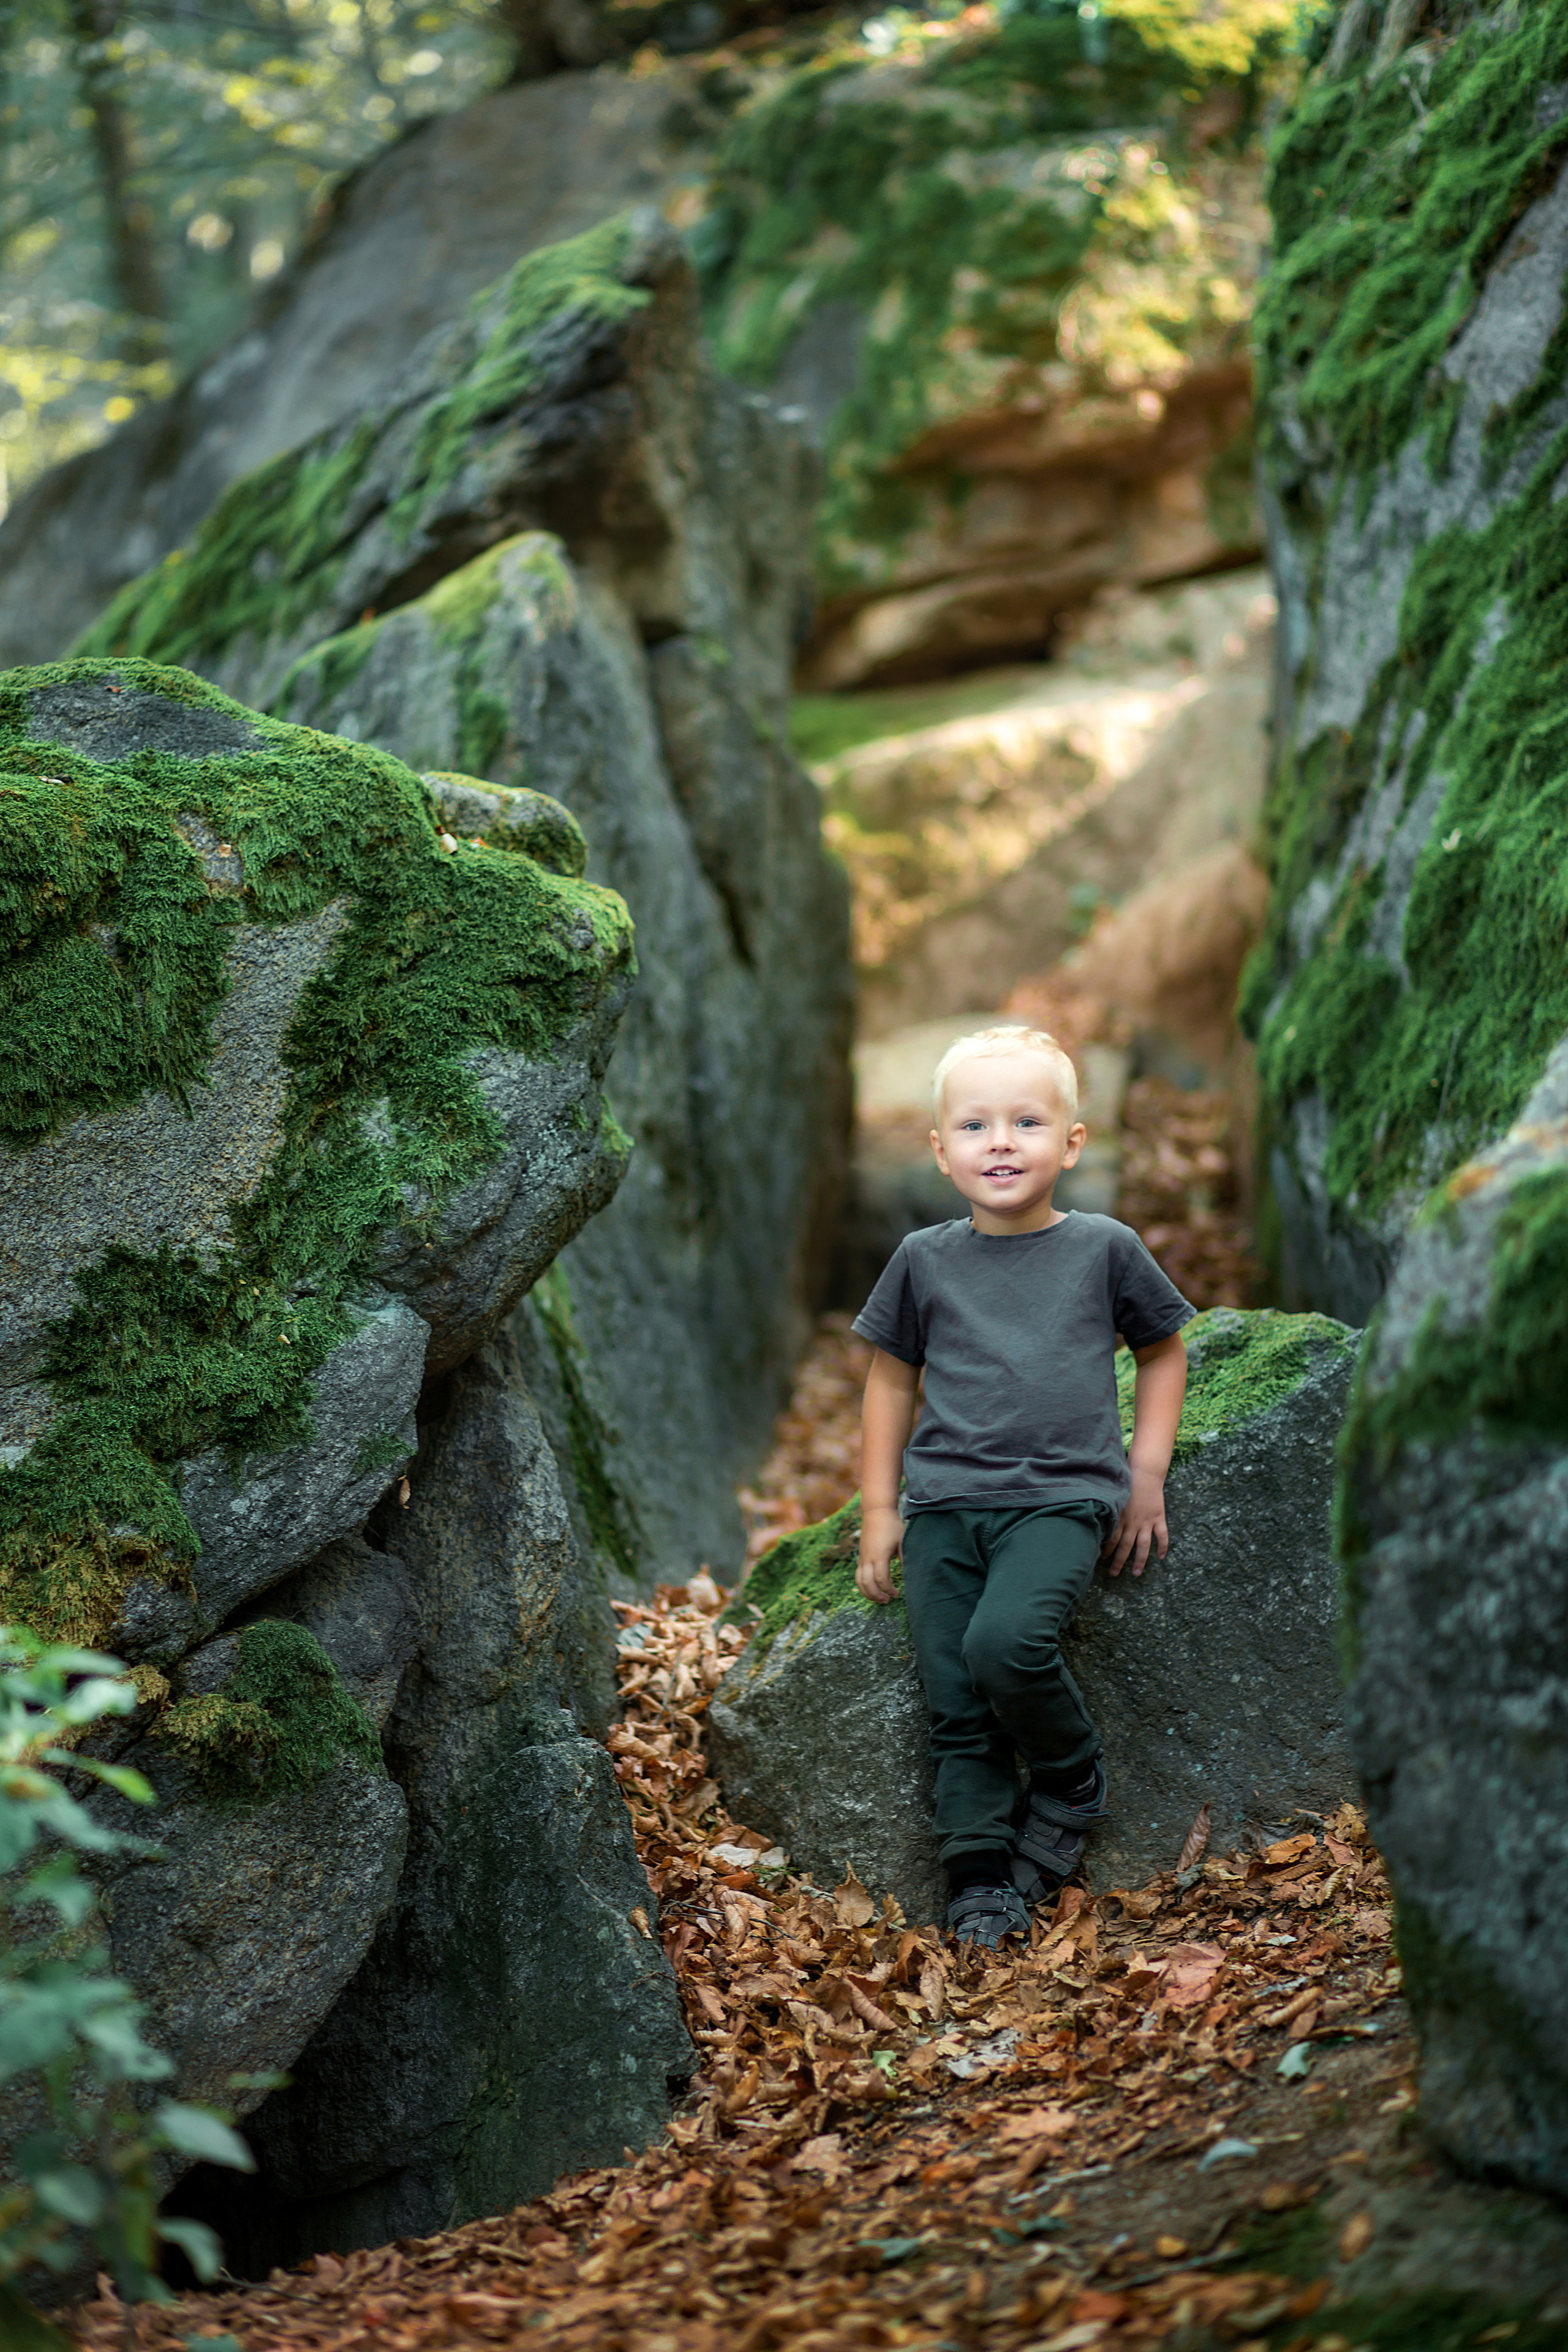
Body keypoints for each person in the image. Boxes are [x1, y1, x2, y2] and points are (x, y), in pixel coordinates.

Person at [852, 1023, 1193, 1948]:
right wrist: (882, 1508)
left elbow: (1163, 1351)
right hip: (944, 1511)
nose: (1000, 1142)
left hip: (1058, 1499)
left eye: (1027, 1121)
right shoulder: (924, 1259)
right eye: (974, 1125)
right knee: (954, 1694)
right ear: (940, 1148)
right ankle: (977, 1880)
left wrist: (1146, 1472)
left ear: (1072, 1143)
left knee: (1006, 1646)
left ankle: (1073, 1773)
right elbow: (890, 1380)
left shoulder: (1103, 1249)